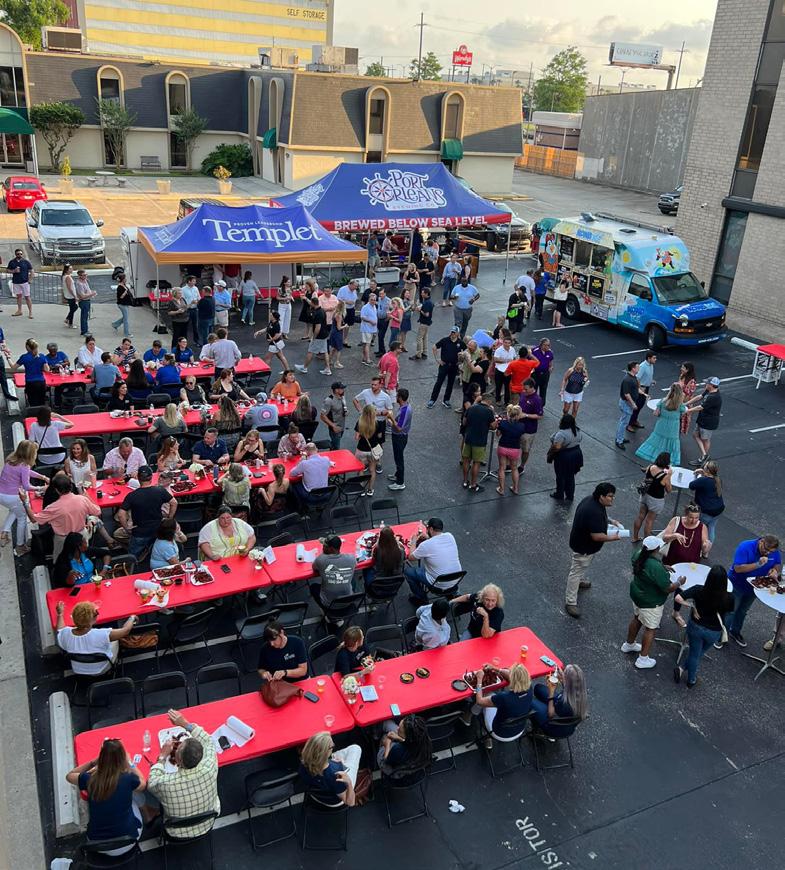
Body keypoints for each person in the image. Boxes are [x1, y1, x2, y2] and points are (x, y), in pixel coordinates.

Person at [66, 738, 149, 855]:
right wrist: (130, 763)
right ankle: (148, 815)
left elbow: (69, 776)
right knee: (135, 794)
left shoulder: (89, 779)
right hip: (128, 841)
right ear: (122, 759)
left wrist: (93, 762)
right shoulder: (128, 778)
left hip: (97, 844)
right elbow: (143, 784)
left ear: (101, 758)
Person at [147, 708, 220, 839]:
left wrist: (162, 757)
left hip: (176, 832)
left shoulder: (166, 783)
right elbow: (208, 741)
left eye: (178, 748)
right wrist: (185, 724)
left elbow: (151, 782)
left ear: (178, 760)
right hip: (207, 823)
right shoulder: (210, 765)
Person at [622, 536, 686, 669]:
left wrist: (663, 567)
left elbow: (648, 567)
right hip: (651, 602)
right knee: (650, 628)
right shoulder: (655, 567)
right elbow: (668, 588)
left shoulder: (638, 554)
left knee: (637, 618)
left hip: (638, 595)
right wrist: (679, 582)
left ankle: (629, 644)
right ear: (656, 549)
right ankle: (643, 659)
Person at [565, 482, 623, 618]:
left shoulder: (591, 501)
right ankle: (570, 602)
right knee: (576, 572)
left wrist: (611, 521)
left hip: (583, 544)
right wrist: (614, 537)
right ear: (601, 496)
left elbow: (601, 517)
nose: (612, 499)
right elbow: (597, 536)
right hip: (584, 547)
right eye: (610, 496)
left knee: (580, 568)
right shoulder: (593, 512)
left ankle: (579, 581)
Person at [673, 565, 735, 687]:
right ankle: (689, 677)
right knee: (698, 653)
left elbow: (678, 598)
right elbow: (729, 613)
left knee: (695, 654)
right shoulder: (729, 597)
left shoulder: (698, 590)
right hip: (714, 631)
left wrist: (692, 606)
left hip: (696, 626)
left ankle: (687, 675)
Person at [20, 474, 101, 561]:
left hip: (63, 540)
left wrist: (25, 502)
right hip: (81, 536)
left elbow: (34, 519)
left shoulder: (53, 507)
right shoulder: (82, 499)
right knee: (82, 560)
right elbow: (97, 511)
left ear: (57, 490)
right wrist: (87, 497)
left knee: (61, 563)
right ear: (70, 486)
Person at [721, 535, 781, 647]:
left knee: (743, 611)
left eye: (771, 551)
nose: (768, 553)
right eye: (766, 549)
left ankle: (735, 632)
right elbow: (738, 568)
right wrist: (758, 564)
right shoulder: (745, 546)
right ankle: (721, 635)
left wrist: (775, 571)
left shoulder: (774, 552)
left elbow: (777, 564)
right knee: (731, 610)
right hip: (737, 584)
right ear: (761, 541)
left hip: (755, 587)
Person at [55, 600, 136, 675]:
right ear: (91, 620)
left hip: (78, 670)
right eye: (96, 613)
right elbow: (125, 631)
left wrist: (60, 614)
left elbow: (60, 629)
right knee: (115, 640)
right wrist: (132, 618)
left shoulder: (65, 633)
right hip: (101, 669)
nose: (97, 613)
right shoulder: (102, 634)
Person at [116, 466, 177, 559]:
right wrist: (169, 518)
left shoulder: (132, 495)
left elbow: (121, 514)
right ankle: (148, 551)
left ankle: (137, 561)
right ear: (151, 477)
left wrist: (126, 528)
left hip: (139, 532)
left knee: (132, 557)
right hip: (158, 530)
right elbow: (174, 503)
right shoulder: (160, 491)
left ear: (138, 478)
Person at [0, 441, 49, 554]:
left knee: (14, 510)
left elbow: (27, 472)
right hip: (13, 496)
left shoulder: (11, 460)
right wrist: (41, 488)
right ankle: (20, 546)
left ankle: (4, 532)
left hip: (2, 494)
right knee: (22, 517)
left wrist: (42, 477)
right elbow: (27, 486)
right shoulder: (24, 466)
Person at [471, 663, 532, 746]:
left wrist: (479, 680)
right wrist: (494, 668)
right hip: (519, 730)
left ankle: (482, 728)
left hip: (499, 732)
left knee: (487, 694)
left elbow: (480, 701)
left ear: (512, 678)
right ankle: (470, 714)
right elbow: (510, 676)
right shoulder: (530, 688)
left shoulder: (504, 697)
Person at [636, 383, 696, 467]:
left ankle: (652, 466)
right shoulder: (680, 405)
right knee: (670, 445)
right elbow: (682, 414)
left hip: (661, 425)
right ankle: (666, 465)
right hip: (673, 427)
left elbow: (656, 413)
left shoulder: (663, 401)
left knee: (657, 442)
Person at [404, 518, 462, 604]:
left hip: (438, 584)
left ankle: (421, 598)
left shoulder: (425, 545)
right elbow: (437, 543)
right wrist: (428, 538)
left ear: (431, 529)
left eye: (427, 528)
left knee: (408, 572)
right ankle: (451, 593)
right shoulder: (450, 536)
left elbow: (411, 557)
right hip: (455, 580)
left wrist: (413, 541)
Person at [299, 732, 361, 808]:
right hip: (334, 801)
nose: (334, 745)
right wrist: (349, 782)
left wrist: (332, 762)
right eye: (332, 746)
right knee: (356, 748)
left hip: (315, 796)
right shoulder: (335, 773)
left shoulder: (303, 763)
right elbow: (350, 803)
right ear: (324, 752)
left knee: (341, 756)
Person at [531, 664, 588, 737]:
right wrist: (562, 679)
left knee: (530, 701)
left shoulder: (564, 704)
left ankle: (538, 730)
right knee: (538, 688)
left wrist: (551, 691)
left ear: (568, 682)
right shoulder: (581, 695)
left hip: (552, 726)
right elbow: (569, 688)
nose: (563, 673)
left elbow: (551, 714)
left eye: (564, 673)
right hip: (568, 727)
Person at [632, 453, 673, 543]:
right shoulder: (665, 476)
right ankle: (646, 543)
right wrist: (669, 475)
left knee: (640, 516)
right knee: (649, 521)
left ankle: (635, 537)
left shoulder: (650, 467)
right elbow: (669, 489)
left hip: (645, 495)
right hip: (656, 500)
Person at [461, 391, 497, 493]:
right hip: (480, 441)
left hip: (468, 438)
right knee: (476, 463)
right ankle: (473, 484)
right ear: (489, 401)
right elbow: (493, 426)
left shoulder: (471, 408)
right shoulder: (489, 411)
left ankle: (465, 481)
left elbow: (464, 422)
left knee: (466, 460)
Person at [312, 534, 357, 607]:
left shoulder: (320, 559)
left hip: (329, 605)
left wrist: (324, 555)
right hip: (348, 601)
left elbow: (314, 568)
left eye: (325, 546)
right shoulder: (351, 558)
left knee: (313, 587)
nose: (322, 547)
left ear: (331, 549)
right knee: (352, 579)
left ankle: (324, 610)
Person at [549, 413, 584, 502]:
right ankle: (570, 495)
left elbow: (557, 447)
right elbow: (580, 439)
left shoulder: (561, 433)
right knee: (571, 476)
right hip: (576, 454)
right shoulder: (577, 430)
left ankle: (559, 494)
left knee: (560, 476)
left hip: (564, 456)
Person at [428, 326, 466, 408]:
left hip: (454, 366)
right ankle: (432, 400)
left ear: (458, 333)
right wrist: (437, 359)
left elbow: (466, 351)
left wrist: (461, 360)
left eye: (454, 332)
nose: (452, 334)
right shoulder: (445, 340)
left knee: (450, 384)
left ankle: (446, 400)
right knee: (439, 383)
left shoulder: (460, 343)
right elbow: (434, 346)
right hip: (444, 365)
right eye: (452, 332)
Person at [688, 377, 722, 465]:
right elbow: (700, 397)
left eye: (707, 383)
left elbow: (700, 407)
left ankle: (703, 458)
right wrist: (686, 403)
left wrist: (687, 411)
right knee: (695, 435)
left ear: (711, 385)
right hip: (702, 419)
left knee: (705, 439)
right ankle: (704, 455)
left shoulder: (714, 397)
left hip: (708, 422)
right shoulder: (709, 391)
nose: (705, 384)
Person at [688, 460, 725, 543]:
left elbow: (691, 485)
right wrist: (703, 473)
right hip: (719, 509)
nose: (704, 465)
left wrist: (700, 476)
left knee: (699, 528)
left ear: (707, 470)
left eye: (705, 465)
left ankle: (695, 544)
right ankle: (708, 547)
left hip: (707, 511)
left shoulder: (703, 480)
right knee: (711, 527)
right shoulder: (718, 479)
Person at [295, 296, 332, 375]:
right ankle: (327, 368)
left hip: (319, 336)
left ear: (313, 303)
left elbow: (318, 327)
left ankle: (304, 367)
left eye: (311, 303)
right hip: (324, 334)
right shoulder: (322, 311)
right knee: (325, 351)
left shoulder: (318, 313)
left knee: (310, 351)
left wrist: (313, 337)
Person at [495, 405, 527, 496]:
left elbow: (498, 434)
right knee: (514, 468)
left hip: (503, 447)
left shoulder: (503, 423)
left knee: (502, 468)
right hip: (514, 449)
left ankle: (501, 489)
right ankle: (515, 488)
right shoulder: (521, 426)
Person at [615, 362, 645, 450]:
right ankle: (619, 440)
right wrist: (633, 404)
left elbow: (636, 389)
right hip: (626, 404)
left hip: (627, 404)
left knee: (623, 421)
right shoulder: (627, 380)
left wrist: (644, 394)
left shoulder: (633, 377)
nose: (639, 369)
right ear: (633, 368)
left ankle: (619, 437)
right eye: (637, 367)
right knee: (624, 422)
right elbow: (627, 394)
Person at [12, 338, 50, 407]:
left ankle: (34, 413)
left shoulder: (24, 357)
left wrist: (8, 358)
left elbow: (13, 367)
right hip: (41, 382)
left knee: (33, 403)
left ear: (27, 347)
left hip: (30, 383)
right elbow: (47, 369)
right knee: (41, 402)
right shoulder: (42, 356)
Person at [387, 388, 412, 491]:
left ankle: (400, 482)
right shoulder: (404, 406)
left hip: (399, 437)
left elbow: (399, 428)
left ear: (400, 398)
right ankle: (397, 475)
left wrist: (391, 418)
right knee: (397, 457)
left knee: (399, 459)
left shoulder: (405, 410)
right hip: (399, 436)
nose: (396, 397)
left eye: (397, 396)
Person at [354, 405, 382, 496]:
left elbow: (356, 437)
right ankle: (370, 490)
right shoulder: (377, 423)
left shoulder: (360, 422)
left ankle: (361, 489)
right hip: (373, 450)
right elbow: (380, 436)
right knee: (372, 470)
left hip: (361, 449)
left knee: (361, 470)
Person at [518, 379, 544, 473]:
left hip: (528, 429)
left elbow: (540, 416)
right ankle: (510, 464)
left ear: (532, 388)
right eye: (523, 389)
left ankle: (522, 466)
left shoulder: (537, 399)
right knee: (513, 446)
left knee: (525, 450)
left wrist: (525, 415)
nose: (524, 391)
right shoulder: (523, 394)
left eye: (526, 389)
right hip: (518, 426)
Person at [7, 247, 34, 318]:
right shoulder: (12, 262)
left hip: (25, 282)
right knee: (18, 297)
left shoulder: (26, 262)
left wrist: (30, 279)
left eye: (21, 254)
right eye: (18, 254)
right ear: (15, 254)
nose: (20, 255)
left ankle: (30, 312)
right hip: (16, 282)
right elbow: (8, 270)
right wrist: (14, 271)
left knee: (27, 297)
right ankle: (19, 311)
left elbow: (31, 270)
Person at [321, 381, 347, 450]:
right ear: (336, 390)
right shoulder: (329, 401)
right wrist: (333, 426)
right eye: (341, 388)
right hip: (335, 428)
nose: (343, 390)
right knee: (336, 447)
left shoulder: (342, 397)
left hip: (342, 426)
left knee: (335, 445)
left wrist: (345, 411)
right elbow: (322, 416)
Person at [411, 286, 434, 360]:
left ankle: (418, 354)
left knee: (419, 338)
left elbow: (426, 314)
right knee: (425, 338)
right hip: (427, 323)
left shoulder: (427, 303)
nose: (421, 294)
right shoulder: (429, 301)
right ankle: (425, 352)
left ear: (426, 294)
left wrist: (420, 310)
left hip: (424, 323)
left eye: (422, 293)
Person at [493, 335, 516, 405]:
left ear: (511, 343)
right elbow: (495, 359)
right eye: (505, 342)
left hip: (508, 371)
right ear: (503, 342)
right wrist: (506, 360)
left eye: (508, 343)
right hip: (499, 371)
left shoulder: (512, 349)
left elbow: (514, 358)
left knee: (507, 387)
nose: (507, 344)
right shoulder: (499, 350)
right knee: (498, 386)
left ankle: (506, 402)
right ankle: (498, 400)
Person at [74, 269, 97, 335]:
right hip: (84, 301)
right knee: (84, 316)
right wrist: (92, 294)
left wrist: (91, 293)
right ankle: (84, 331)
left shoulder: (85, 281)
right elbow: (82, 296)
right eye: (84, 275)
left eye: (86, 275)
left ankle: (86, 329)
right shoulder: (79, 284)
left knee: (86, 316)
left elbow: (87, 290)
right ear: (80, 276)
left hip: (87, 300)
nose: (86, 276)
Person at [531, 338, 554, 403]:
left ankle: (541, 405)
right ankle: (533, 404)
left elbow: (551, 362)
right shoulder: (534, 351)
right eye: (545, 345)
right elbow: (528, 359)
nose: (547, 347)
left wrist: (551, 367)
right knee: (533, 390)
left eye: (548, 345)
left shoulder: (550, 352)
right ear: (541, 345)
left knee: (543, 390)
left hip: (545, 374)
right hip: (535, 374)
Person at [677, 362, 698, 436]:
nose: (681, 369)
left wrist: (681, 403)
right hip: (678, 401)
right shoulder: (682, 376)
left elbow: (688, 395)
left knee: (681, 422)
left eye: (683, 368)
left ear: (688, 370)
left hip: (684, 404)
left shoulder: (692, 382)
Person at [180, 276, 201, 344]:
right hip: (187, 309)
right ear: (189, 281)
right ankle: (184, 341)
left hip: (195, 309)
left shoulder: (196, 288)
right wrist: (190, 303)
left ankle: (196, 340)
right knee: (185, 325)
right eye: (193, 281)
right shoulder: (183, 289)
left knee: (195, 326)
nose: (195, 282)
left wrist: (197, 301)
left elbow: (199, 297)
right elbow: (182, 300)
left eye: (195, 281)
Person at [359, 292, 378, 365]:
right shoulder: (365, 307)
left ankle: (364, 358)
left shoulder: (374, 306)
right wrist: (371, 321)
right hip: (366, 328)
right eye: (371, 299)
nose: (373, 301)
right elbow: (362, 317)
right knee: (367, 344)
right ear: (369, 299)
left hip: (372, 328)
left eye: (374, 300)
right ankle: (367, 359)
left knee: (365, 344)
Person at [328, 299, 345, 370]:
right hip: (337, 333)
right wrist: (345, 326)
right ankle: (337, 362)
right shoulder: (339, 315)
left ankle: (329, 360)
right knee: (338, 348)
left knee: (333, 348)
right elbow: (339, 327)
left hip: (333, 332)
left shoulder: (335, 313)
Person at [62, 263, 78, 329]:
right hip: (70, 295)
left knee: (74, 308)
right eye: (70, 269)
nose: (72, 270)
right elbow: (69, 288)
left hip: (69, 295)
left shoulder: (65, 276)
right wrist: (75, 296)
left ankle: (67, 319)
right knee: (72, 309)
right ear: (67, 270)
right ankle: (70, 323)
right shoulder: (68, 277)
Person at [375, 287, 390, 356]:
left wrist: (387, 319)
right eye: (380, 294)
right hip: (379, 319)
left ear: (385, 293)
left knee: (381, 336)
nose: (381, 295)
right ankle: (380, 350)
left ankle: (383, 351)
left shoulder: (388, 301)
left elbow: (391, 310)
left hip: (384, 320)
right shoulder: (379, 299)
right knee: (379, 335)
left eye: (382, 294)